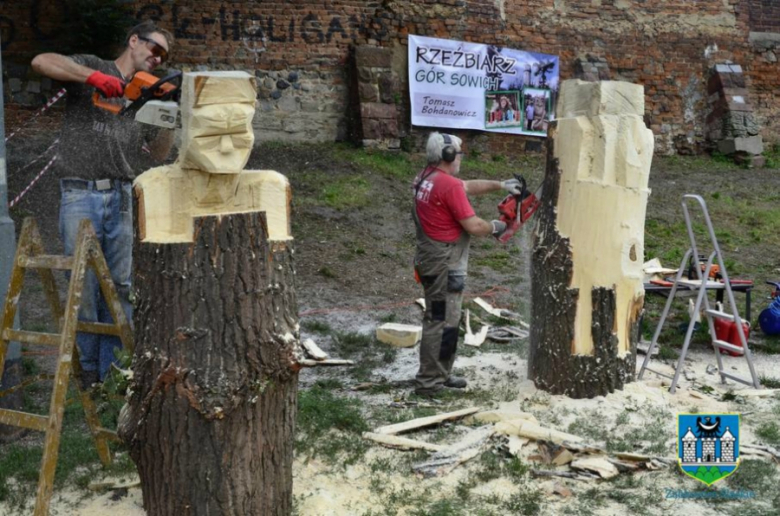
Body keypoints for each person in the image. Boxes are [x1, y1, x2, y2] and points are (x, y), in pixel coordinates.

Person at [31, 21, 175, 388]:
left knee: (121, 285)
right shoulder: (93, 65)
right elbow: (41, 61)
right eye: (153, 48)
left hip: (122, 194)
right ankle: (88, 374)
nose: (157, 57)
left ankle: (113, 375)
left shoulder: (147, 94)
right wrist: (93, 77)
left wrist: (169, 115)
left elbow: (158, 154)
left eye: (163, 56)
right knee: (84, 286)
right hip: (80, 191)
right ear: (133, 40)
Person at [411, 132, 522, 397]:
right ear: (448, 155)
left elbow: (467, 186)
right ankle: (428, 383)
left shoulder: (426, 177)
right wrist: (497, 226)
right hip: (444, 263)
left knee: (451, 319)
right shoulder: (446, 185)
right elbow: (473, 226)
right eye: (459, 153)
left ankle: (442, 372)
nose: (461, 157)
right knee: (439, 319)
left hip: (433, 256)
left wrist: (500, 185)